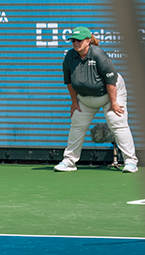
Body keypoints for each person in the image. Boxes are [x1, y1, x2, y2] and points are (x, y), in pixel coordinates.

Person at [54, 26, 139, 173]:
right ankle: (69, 162)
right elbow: (69, 82)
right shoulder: (69, 57)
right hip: (85, 98)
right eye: (73, 40)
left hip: (110, 93)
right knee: (77, 124)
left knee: (117, 122)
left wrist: (113, 102)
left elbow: (111, 80)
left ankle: (131, 162)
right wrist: (74, 101)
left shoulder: (98, 54)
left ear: (88, 41)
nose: (76, 43)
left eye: (79, 40)